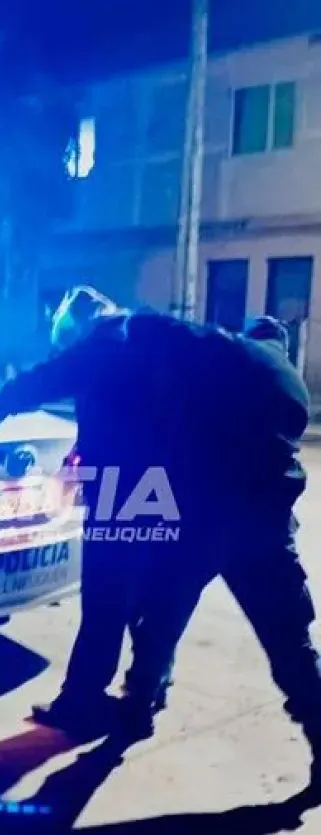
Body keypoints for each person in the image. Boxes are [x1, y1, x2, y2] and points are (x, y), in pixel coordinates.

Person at [0, 287, 179, 740]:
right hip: (172, 488)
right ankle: (148, 692)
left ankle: (80, 704)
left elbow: (25, 388)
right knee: (155, 598)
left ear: (75, 330)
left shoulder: (98, 349)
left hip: (124, 491)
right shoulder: (148, 342)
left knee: (106, 601)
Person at [122, 314, 321, 793]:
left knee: (159, 618)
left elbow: (150, 327)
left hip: (199, 523)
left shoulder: (233, 351)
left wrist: (124, 319)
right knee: (291, 646)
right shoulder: (293, 384)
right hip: (266, 532)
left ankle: (138, 708)